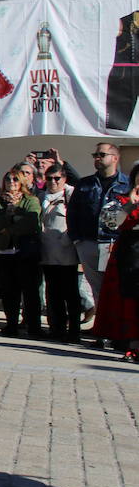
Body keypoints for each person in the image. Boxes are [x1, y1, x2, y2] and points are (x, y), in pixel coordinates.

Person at [68, 142, 130, 323]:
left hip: (113, 243)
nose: (97, 158)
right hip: (88, 242)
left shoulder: (126, 184)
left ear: (115, 158)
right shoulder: (85, 184)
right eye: (95, 154)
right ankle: (102, 329)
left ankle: (117, 328)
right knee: (97, 288)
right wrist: (76, 239)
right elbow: (73, 212)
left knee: (114, 288)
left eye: (102, 155)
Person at [0, 169, 43, 338]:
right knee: (9, 291)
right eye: (8, 179)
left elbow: (31, 223)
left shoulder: (31, 200)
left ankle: (33, 326)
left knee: (30, 291)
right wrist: (8, 214)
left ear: (21, 182)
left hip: (25, 252)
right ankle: (11, 323)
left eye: (15, 179)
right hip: (4, 252)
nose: (11, 182)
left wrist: (9, 225)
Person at [92, 167, 139, 361]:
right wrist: (130, 204)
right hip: (131, 254)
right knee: (132, 303)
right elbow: (109, 222)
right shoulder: (122, 200)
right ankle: (134, 345)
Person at [39, 164, 82, 341]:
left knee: (70, 293)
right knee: (53, 293)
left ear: (64, 179)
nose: (53, 182)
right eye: (49, 178)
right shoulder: (42, 195)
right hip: (47, 251)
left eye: (57, 178)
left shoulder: (70, 193)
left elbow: (78, 181)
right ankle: (56, 328)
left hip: (66, 252)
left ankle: (73, 331)